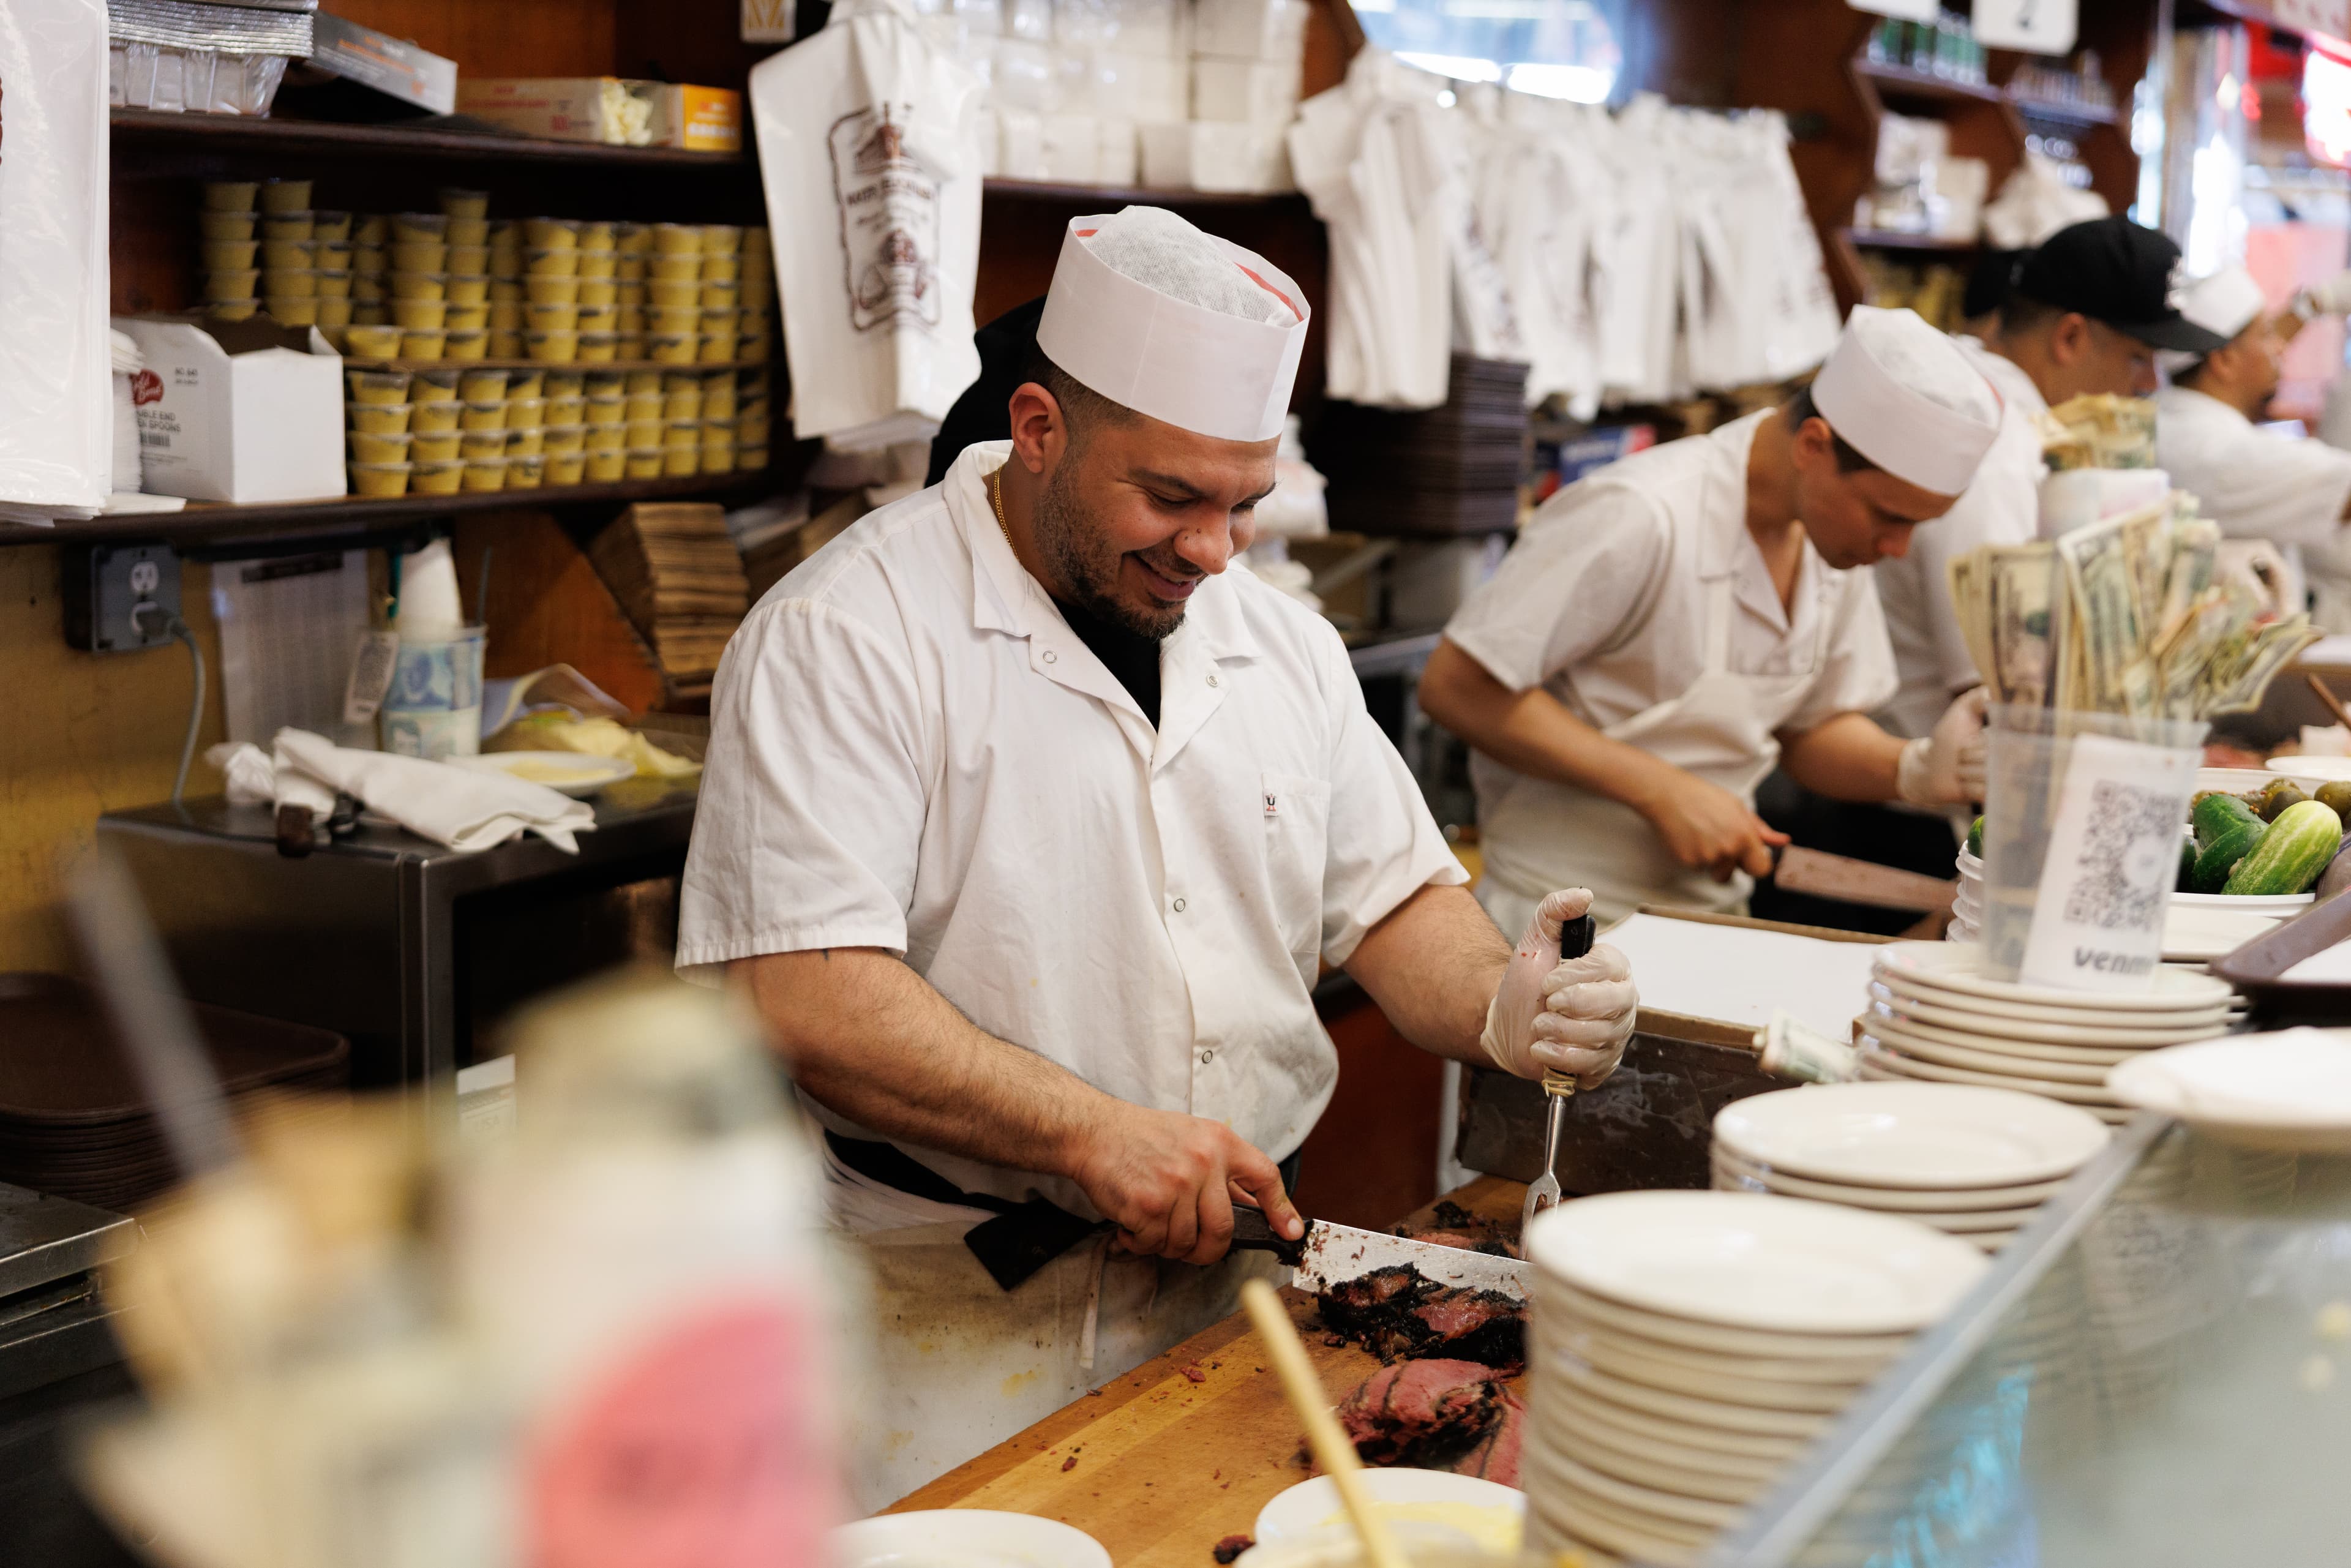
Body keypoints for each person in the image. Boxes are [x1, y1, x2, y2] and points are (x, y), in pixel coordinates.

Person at [677, 205, 1641, 1509]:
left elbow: (1393, 902)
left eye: (1245, 505)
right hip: (938, 1316)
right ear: (1038, 429)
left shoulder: (1280, 643)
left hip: (1228, 1296)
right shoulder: (847, 636)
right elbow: (806, 994)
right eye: (1172, 497)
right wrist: (1091, 1133)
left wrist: (1501, 1004)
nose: (1212, 549)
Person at [1415, 307, 2002, 931]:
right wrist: (1659, 789)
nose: (1898, 548)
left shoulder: (1831, 542)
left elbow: (1812, 729)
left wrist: (1914, 767)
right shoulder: (1642, 513)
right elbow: (1457, 685)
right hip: (1555, 915)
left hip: (1710, 919)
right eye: (1889, 516)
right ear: (1813, 446)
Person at [1872, 217, 2230, 743]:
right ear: (2070, 337)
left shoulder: (2015, 416)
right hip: (1926, 776)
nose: (2151, 382)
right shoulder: (1994, 445)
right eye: (2139, 356)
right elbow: (1997, 691)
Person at [2157, 264, 2351, 629]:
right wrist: (2318, 301)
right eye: (2266, 334)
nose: (2281, 346)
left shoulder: (2175, 420)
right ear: (2223, 361)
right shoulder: (2214, 449)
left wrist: (2314, 304)